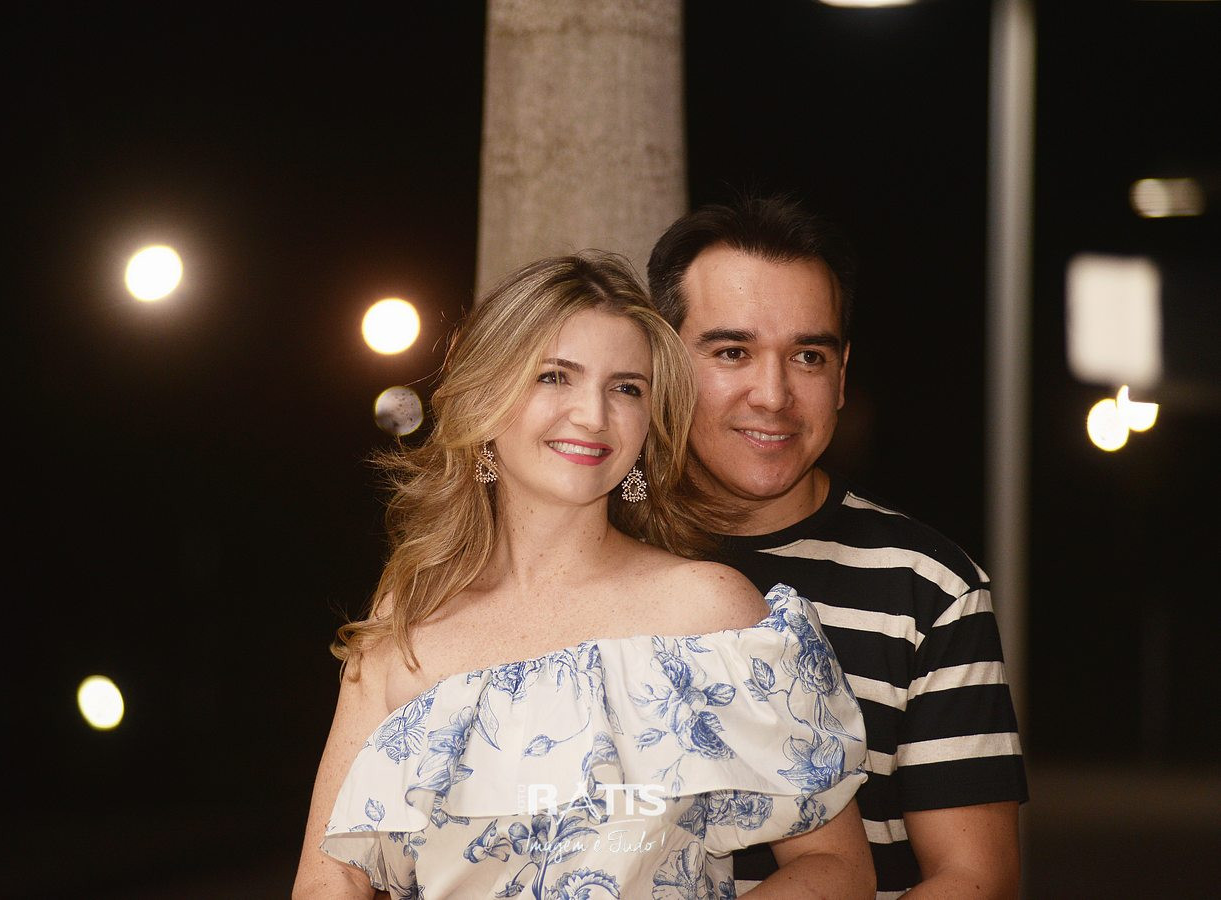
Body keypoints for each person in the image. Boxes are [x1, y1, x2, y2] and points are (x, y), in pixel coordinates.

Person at [293, 252, 876, 899]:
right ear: (485, 398)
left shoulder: (708, 613)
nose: (593, 415)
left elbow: (835, 865)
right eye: (554, 377)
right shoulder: (407, 616)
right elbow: (329, 878)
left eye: (626, 388)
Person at [647, 196, 1029, 898]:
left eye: (807, 356)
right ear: (662, 363)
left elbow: (975, 878)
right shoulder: (597, 553)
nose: (773, 394)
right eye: (732, 352)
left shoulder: (928, 587)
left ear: (842, 375)